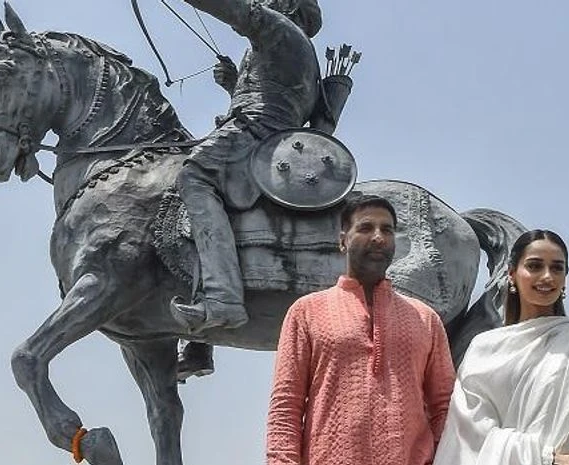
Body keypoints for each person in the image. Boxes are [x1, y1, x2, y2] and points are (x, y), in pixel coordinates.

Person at [265, 194, 456, 465]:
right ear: (342, 240)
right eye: (366, 228)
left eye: (387, 230)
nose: (378, 237)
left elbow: (444, 407)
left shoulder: (426, 319)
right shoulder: (306, 312)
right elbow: (286, 406)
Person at [433, 230, 569, 465]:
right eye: (534, 266)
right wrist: (547, 459)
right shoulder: (483, 348)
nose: (547, 276)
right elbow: (469, 431)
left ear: (566, 277)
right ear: (512, 274)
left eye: (557, 268)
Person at [170, 0, 323, 332]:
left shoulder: (283, 31)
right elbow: (276, 94)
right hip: (267, 137)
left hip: (255, 137)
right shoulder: (297, 50)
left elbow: (240, 11)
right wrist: (234, 84)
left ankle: (222, 299)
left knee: (193, 177)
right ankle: (198, 344)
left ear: (290, 4)